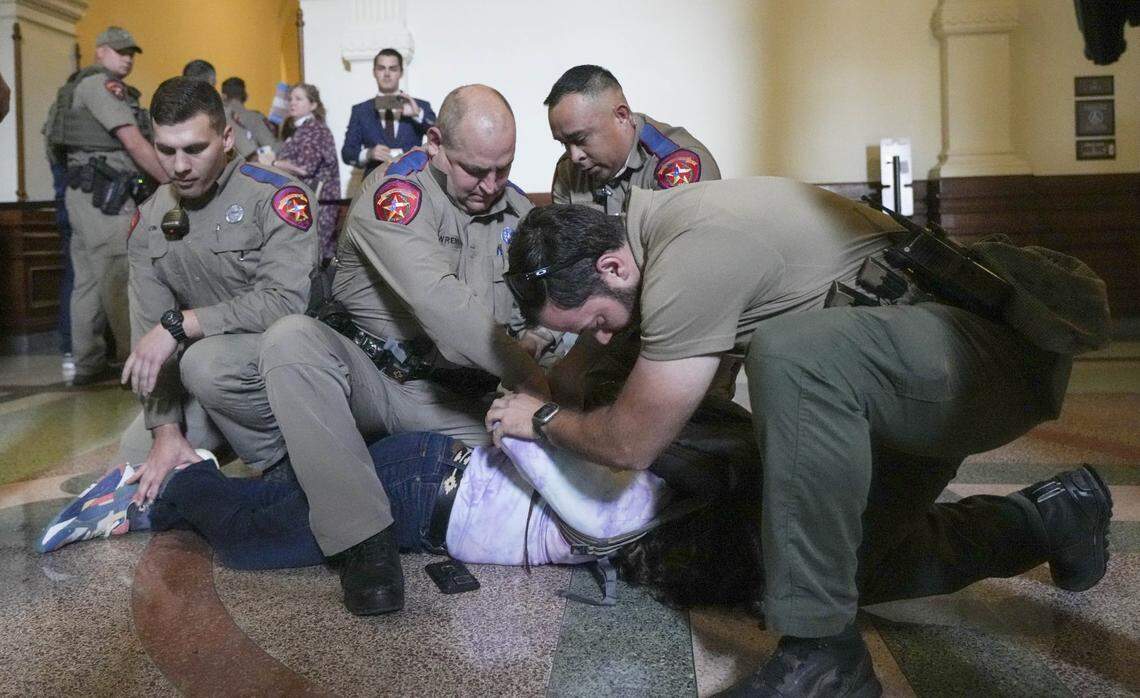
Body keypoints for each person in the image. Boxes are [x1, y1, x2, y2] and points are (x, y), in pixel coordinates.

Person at [489, 181, 1114, 696]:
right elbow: (572, 376)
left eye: (596, 322)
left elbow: (632, 442)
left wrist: (540, 422)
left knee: (790, 354)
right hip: (900, 375)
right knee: (834, 573)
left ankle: (823, 661)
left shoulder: (691, 252)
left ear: (612, 266)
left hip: (980, 359)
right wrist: (534, 391)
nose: (600, 338)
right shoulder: (649, 246)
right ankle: (1049, 517)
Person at [257, 84, 552, 617]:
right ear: (435, 143)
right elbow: (441, 305)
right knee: (290, 341)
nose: (490, 185)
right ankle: (364, 542)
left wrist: (540, 340)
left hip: (456, 401)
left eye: (503, 168)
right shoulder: (396, 194)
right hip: (374, 383)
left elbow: (546, 306)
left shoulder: (519, 213)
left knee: (568, 445)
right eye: (474, 170)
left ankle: (344, 467)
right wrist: (533, 376)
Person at [115, 76, 318, 507]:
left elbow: (285, 303)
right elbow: (150, 342)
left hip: (289, 361)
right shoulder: (149, 220)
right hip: (214, 372)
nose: (179, 166)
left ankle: (286, 468)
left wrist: (183, 324)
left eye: (194, 149)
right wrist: (166, 432)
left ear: (226, 137)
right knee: (136, 457)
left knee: (205, 364)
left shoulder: (277, 196)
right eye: (165, 150)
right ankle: (210, 445)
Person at [44, 26, 168, 386]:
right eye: (118, 51)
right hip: (104, 197)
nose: (127, 57)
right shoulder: (100, 87)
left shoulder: (86, 87)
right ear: (100, 52)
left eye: (131, 51)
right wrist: (174, 182)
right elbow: (133, 142)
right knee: (119, 274)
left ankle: (87, 362)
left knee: (88, 282)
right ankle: (136, 361)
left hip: (86, 195)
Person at [547, 65, 719, 216]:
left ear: (622, 116)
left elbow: (680, 248)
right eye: (564, 143)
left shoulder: (677, 164)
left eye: (580, 138)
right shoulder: (567, 171)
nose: (574, 156)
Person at [260, 83, 341, 262]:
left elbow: (305, 168)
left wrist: (273, 162)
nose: (292, 103)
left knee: (314, 257)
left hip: (320, 204)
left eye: (298, 99)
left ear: (312, 105)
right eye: (291, 99)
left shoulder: (314, 129)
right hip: (309, 201)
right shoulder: (300, 130)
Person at [341, 48, 436, 176]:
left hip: (413, 181)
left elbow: (440, 138)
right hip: (373, 182)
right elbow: (347, 153)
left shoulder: (419, 106)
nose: (387, 74)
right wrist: (368, 154)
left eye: (393, 69)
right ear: (374, 72)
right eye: (381, 68)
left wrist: (417, 114)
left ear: (401, 73)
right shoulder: (361, 110)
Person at [221, 76, 279, 161]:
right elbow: (272, 147)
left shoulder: (218, 117)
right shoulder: (255, 118)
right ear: (245, 95)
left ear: (223, 96)